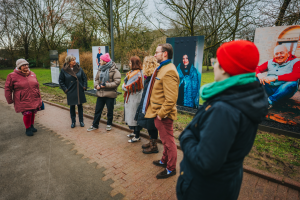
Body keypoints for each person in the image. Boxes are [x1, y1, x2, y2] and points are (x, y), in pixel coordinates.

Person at [176, 40, 268, 200]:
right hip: (224, 183)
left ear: (225, 68)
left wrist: (185, 136)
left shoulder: (224, 109)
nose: (213, 66)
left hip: (204, 189)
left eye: (215, 61)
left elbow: (205, 162)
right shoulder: (246, 96)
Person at [143, 43, 179, 179]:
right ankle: (164, 160)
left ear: (165, 53)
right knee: (165, 141)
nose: (154, 55)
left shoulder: (169, 70)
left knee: (169, 142)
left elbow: (171, 99)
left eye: (156, 52)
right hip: (158, 113)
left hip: (163, 115)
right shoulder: (162, 68)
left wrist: (161, 114)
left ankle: (171, 168)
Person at [5, 59, 42, 136]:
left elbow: (37, 85)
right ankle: (27, 128)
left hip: (34, 97)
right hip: (22, 99)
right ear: (19, 67)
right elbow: (8, 88)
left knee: (32, 113)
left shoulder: (32, 74)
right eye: (23, 65)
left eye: (27, 64)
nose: (26, 66)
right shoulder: (11, 76)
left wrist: (39, 96)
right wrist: (9, 99)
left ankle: (31, 126)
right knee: (27, 114)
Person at [256, 44, 300, 109]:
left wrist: (275, 78)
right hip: (269, 88)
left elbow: (296, 75)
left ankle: (269, 102)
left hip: (283, 90)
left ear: (288, 53)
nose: (279, 56)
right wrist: (259, 74)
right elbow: (255, 69)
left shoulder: (296, 62)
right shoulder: (270, 62)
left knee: (293, 83)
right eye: (276, 54)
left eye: (282, 53)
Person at [87, 53, 121, 132]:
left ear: (105, 62)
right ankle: (95, 125)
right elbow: (96, 80)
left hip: (110, 94)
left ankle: (109, 124)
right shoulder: (100, 69)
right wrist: (97, 86)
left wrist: (106, 85)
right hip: (100, 93)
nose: (99, 62)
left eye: (101, 60)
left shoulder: (114, 70)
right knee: (97, 110)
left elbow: (117, 83)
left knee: (110, 111)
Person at [134, 56, 159, 152]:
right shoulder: (149, 77)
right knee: (149, 125)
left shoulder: (153, 78)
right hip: (147, 104)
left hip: (151, 106)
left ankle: (154, 146)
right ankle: (152, 142)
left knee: (151, 125)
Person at [59, 55, 88, 128]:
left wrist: (84, 86)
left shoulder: (79, 68)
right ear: (68, 61)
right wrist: (66, 89)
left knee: (80, 106)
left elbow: (84, 78)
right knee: (72, 107)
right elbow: (61, 81)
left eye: (75, 60)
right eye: (73, 60)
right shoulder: (64, 70)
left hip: (79, 90)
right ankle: (73, 122)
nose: (75, 61)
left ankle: (81, 121)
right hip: (70, 90)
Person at [122, 56, 144, 142]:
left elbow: (128, 87)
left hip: (135, 98)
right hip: (132, 97)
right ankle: (134, 132)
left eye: (130, 62)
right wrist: (125, 85)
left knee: (135, 116)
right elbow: (126, 82)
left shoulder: (137, 74)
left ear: (134, 64)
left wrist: (123, 86)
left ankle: (137, 136)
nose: (129, 64)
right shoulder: (133, 73)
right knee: (132, 115)